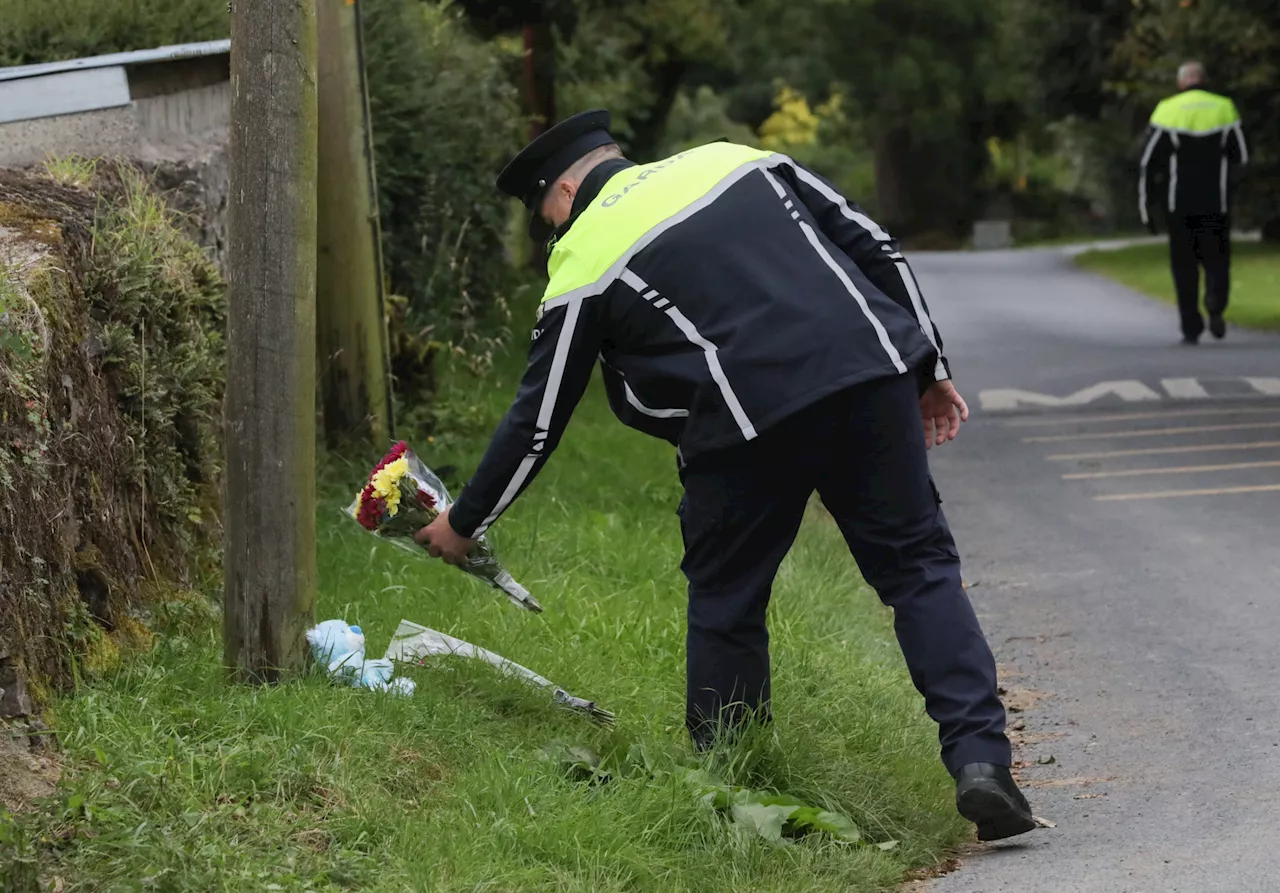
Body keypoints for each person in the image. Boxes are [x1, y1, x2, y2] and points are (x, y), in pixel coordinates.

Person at [415, 110, 1035, 841]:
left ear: (564, 190)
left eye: (545, 212)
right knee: (919, 569)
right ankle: (982, 765)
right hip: (870, 376)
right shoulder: (737, 160)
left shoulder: (583, 256)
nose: (550, 228)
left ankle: (738, 798)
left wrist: (464, 523)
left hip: (745, 422)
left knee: (727, 600)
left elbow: (538, 418)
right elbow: (876, 248)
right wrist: (929, 367)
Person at [1139, 60, 1249, 344]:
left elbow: (1149, 163)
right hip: (1216, 201)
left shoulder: (1167, 110)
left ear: (1180, 83)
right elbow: (1242, 156)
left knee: (1183, 266)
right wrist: (1234, 187)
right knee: (1217, 260)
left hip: (1179, 203)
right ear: (1205, 79)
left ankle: (1191, 327)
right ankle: (1215, 303)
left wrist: (1147, 207)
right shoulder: (1224, 107)